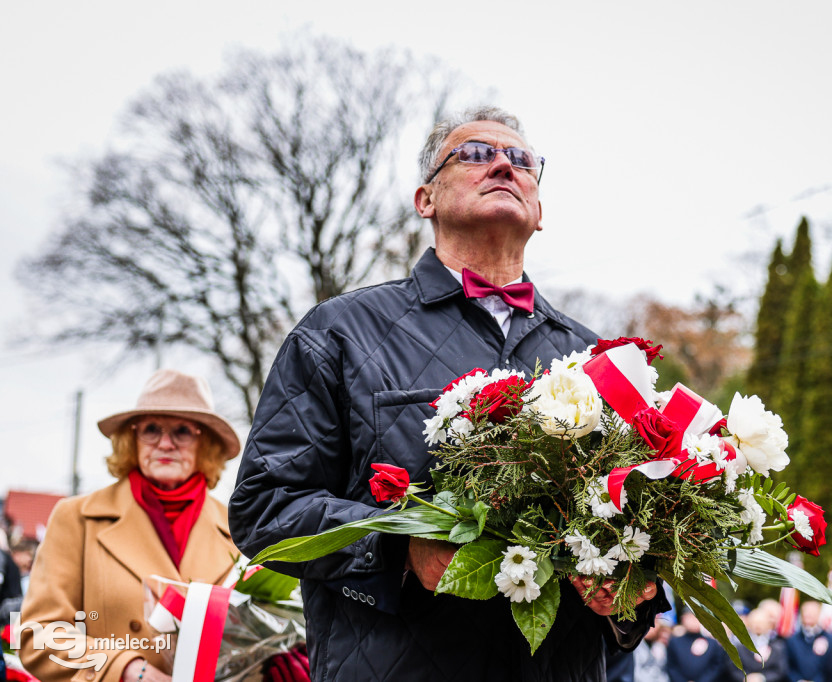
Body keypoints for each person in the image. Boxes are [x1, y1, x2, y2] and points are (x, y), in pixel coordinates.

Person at [229, 106, 667, 681]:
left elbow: (643, 526)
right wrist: (398, 552)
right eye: (477, 154)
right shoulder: (339, 332)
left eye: (523, 160)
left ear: (539, 213)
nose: (504, 165)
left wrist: (633, 588)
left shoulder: (598, 360)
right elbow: (265, 505)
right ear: (426, 199)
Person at [18, 369, 241, 681]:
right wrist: (125, 669)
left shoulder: (239, 529)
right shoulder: (76, 518)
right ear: (132, 439)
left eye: (182, 431)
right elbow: (37, 637)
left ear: (206, 444)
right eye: (151, 429)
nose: (165, 443)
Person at [724, 608, 790, 682]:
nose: (758, 626)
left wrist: (762, 678)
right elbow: (733, 668)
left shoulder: (778, 645)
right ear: (748, 623)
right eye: (755, 622)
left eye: (761, 622)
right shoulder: (739, 645)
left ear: (769, 625)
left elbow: (780, 670)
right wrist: (746, 678)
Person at [665, 607, 726, 682]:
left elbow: (716, 667)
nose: (693, 620)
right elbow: (671, 666)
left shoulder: (712, 644)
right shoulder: (674, 642)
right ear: (683, 619)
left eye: (696, 617)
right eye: (689, 617)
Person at [786, 600, 832, 682]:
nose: (808, 615)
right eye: (805, 612)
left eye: (812, 612)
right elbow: (788, 666)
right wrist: (798, 680)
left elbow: (831, 667)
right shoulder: (792, 640)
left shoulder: (831, 640)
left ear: (819, 615)